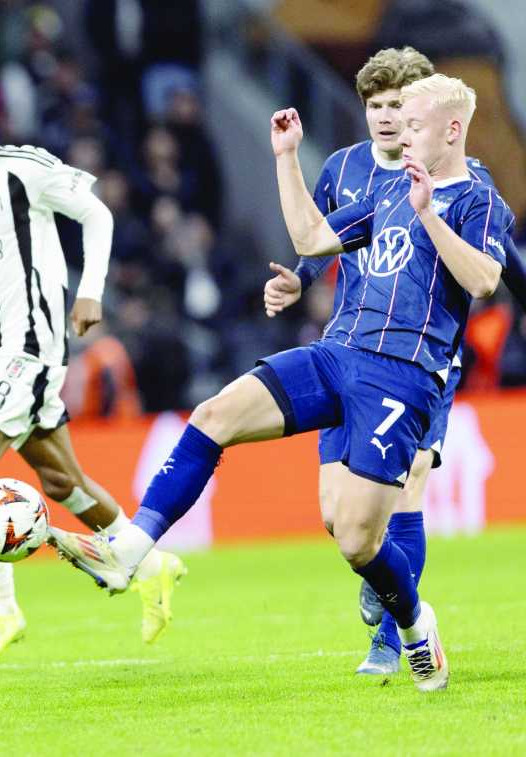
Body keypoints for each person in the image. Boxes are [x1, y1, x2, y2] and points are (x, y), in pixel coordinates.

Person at [49, 74, 515, 694]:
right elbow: (311, 239)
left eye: (415, 126)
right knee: (214, 414)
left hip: (402, 376)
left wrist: (428, 212)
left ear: (452, 131)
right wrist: (287, 158)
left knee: (358, 541)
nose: (402, 137)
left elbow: (483, 280)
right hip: (337, 353)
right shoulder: (389, 189)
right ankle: (129, 549)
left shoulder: (478, 199)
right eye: (398, 125)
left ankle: (412, 625)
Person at [0, 63, 184, 665]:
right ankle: (150, 563)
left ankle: (2, 608)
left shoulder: (23, 169)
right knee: (62, 483)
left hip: (31, 347)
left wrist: (90, 291)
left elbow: (98, 214)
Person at [262, 48, 526, 676]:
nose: (387, 119)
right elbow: (321, 238)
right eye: (376, 107)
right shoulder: (343, 168)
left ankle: (392, 638)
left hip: (421, 361)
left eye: (399, 108)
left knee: (407, 491)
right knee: (338, 517)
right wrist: (300, 279)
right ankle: (379, 573)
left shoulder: (463, 180)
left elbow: (501, 264)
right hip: (346, 350)